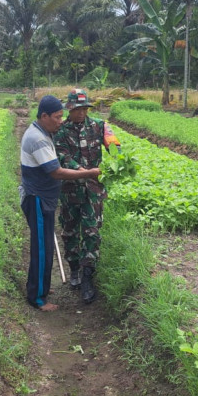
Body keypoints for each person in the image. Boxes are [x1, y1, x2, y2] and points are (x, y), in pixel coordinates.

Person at [20, 95, 101, 311]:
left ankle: (41, 286)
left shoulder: (44, 133)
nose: (60, 120)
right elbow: (56, 172)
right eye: (57, 117)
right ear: (44, 116)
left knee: (45, 245)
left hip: (43, 199)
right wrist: (90, 172)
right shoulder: (38, 139)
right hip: (37, 198)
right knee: (42, 249)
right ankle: (37, 298)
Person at [54, 89, 120, 304]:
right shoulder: (61, 131)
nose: (81, 113)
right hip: (70, 191)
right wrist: (84, 171)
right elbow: (62, 157)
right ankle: (74, 268)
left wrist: (115, 153)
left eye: (84, 109)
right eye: (76, 109)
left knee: (91, 232)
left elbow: (115, 148)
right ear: (69, 109)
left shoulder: (99, 127)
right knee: (70, 231)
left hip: (94, 191)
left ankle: (87, 277)